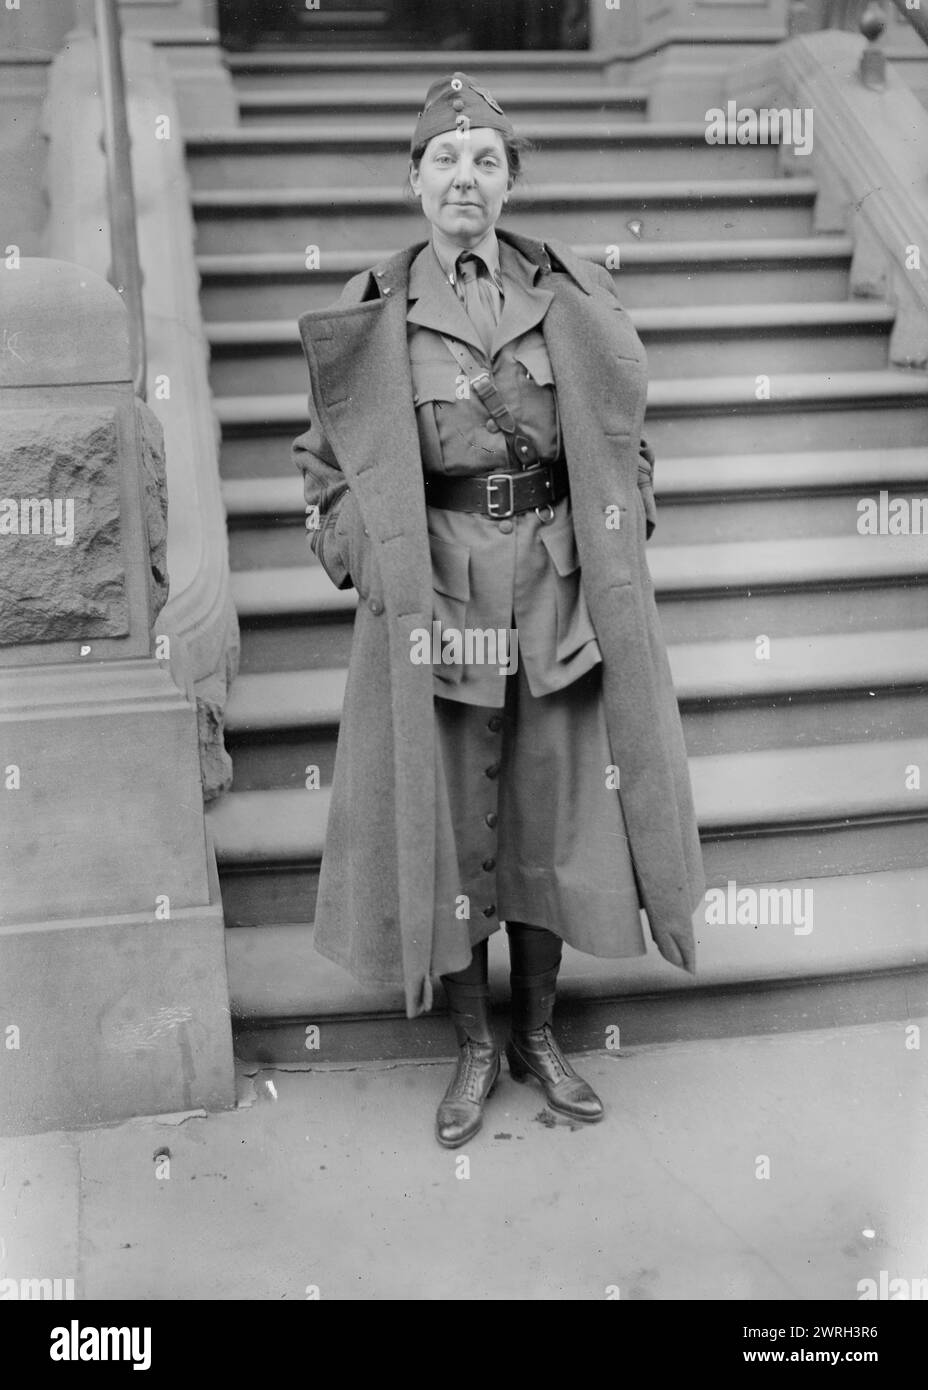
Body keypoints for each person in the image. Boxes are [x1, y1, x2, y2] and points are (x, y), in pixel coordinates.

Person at [293, 72, 705, 1149]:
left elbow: (624, 435)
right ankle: (473, 1044)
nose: (464, 181)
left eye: (485, 162)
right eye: (445, 161)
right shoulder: (370, 316)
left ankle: (537, 1032)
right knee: (451, 820)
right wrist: (362, 559)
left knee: (547, 813)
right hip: (437, 595)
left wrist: (628, 516)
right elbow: (324, 471)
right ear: (414, 181)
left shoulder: (572, 298)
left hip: (557, 591)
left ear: (511, 181)